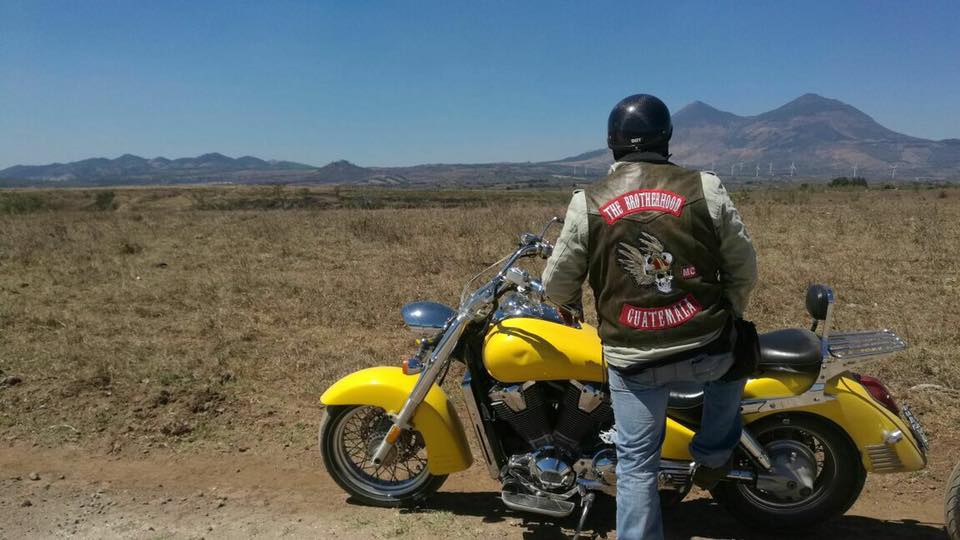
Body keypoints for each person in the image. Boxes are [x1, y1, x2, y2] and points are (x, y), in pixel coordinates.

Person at [542, 93, 758, 540]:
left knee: (637, 463)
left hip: (633, 357)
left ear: (612, 143)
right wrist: (729, 314)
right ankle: (715, 454)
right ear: (667, 138)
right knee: (737, 356)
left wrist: (573, 310)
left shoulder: (589, 201)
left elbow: (557, 284)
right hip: (705, 343)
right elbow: (744, 265)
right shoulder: (706, 187)